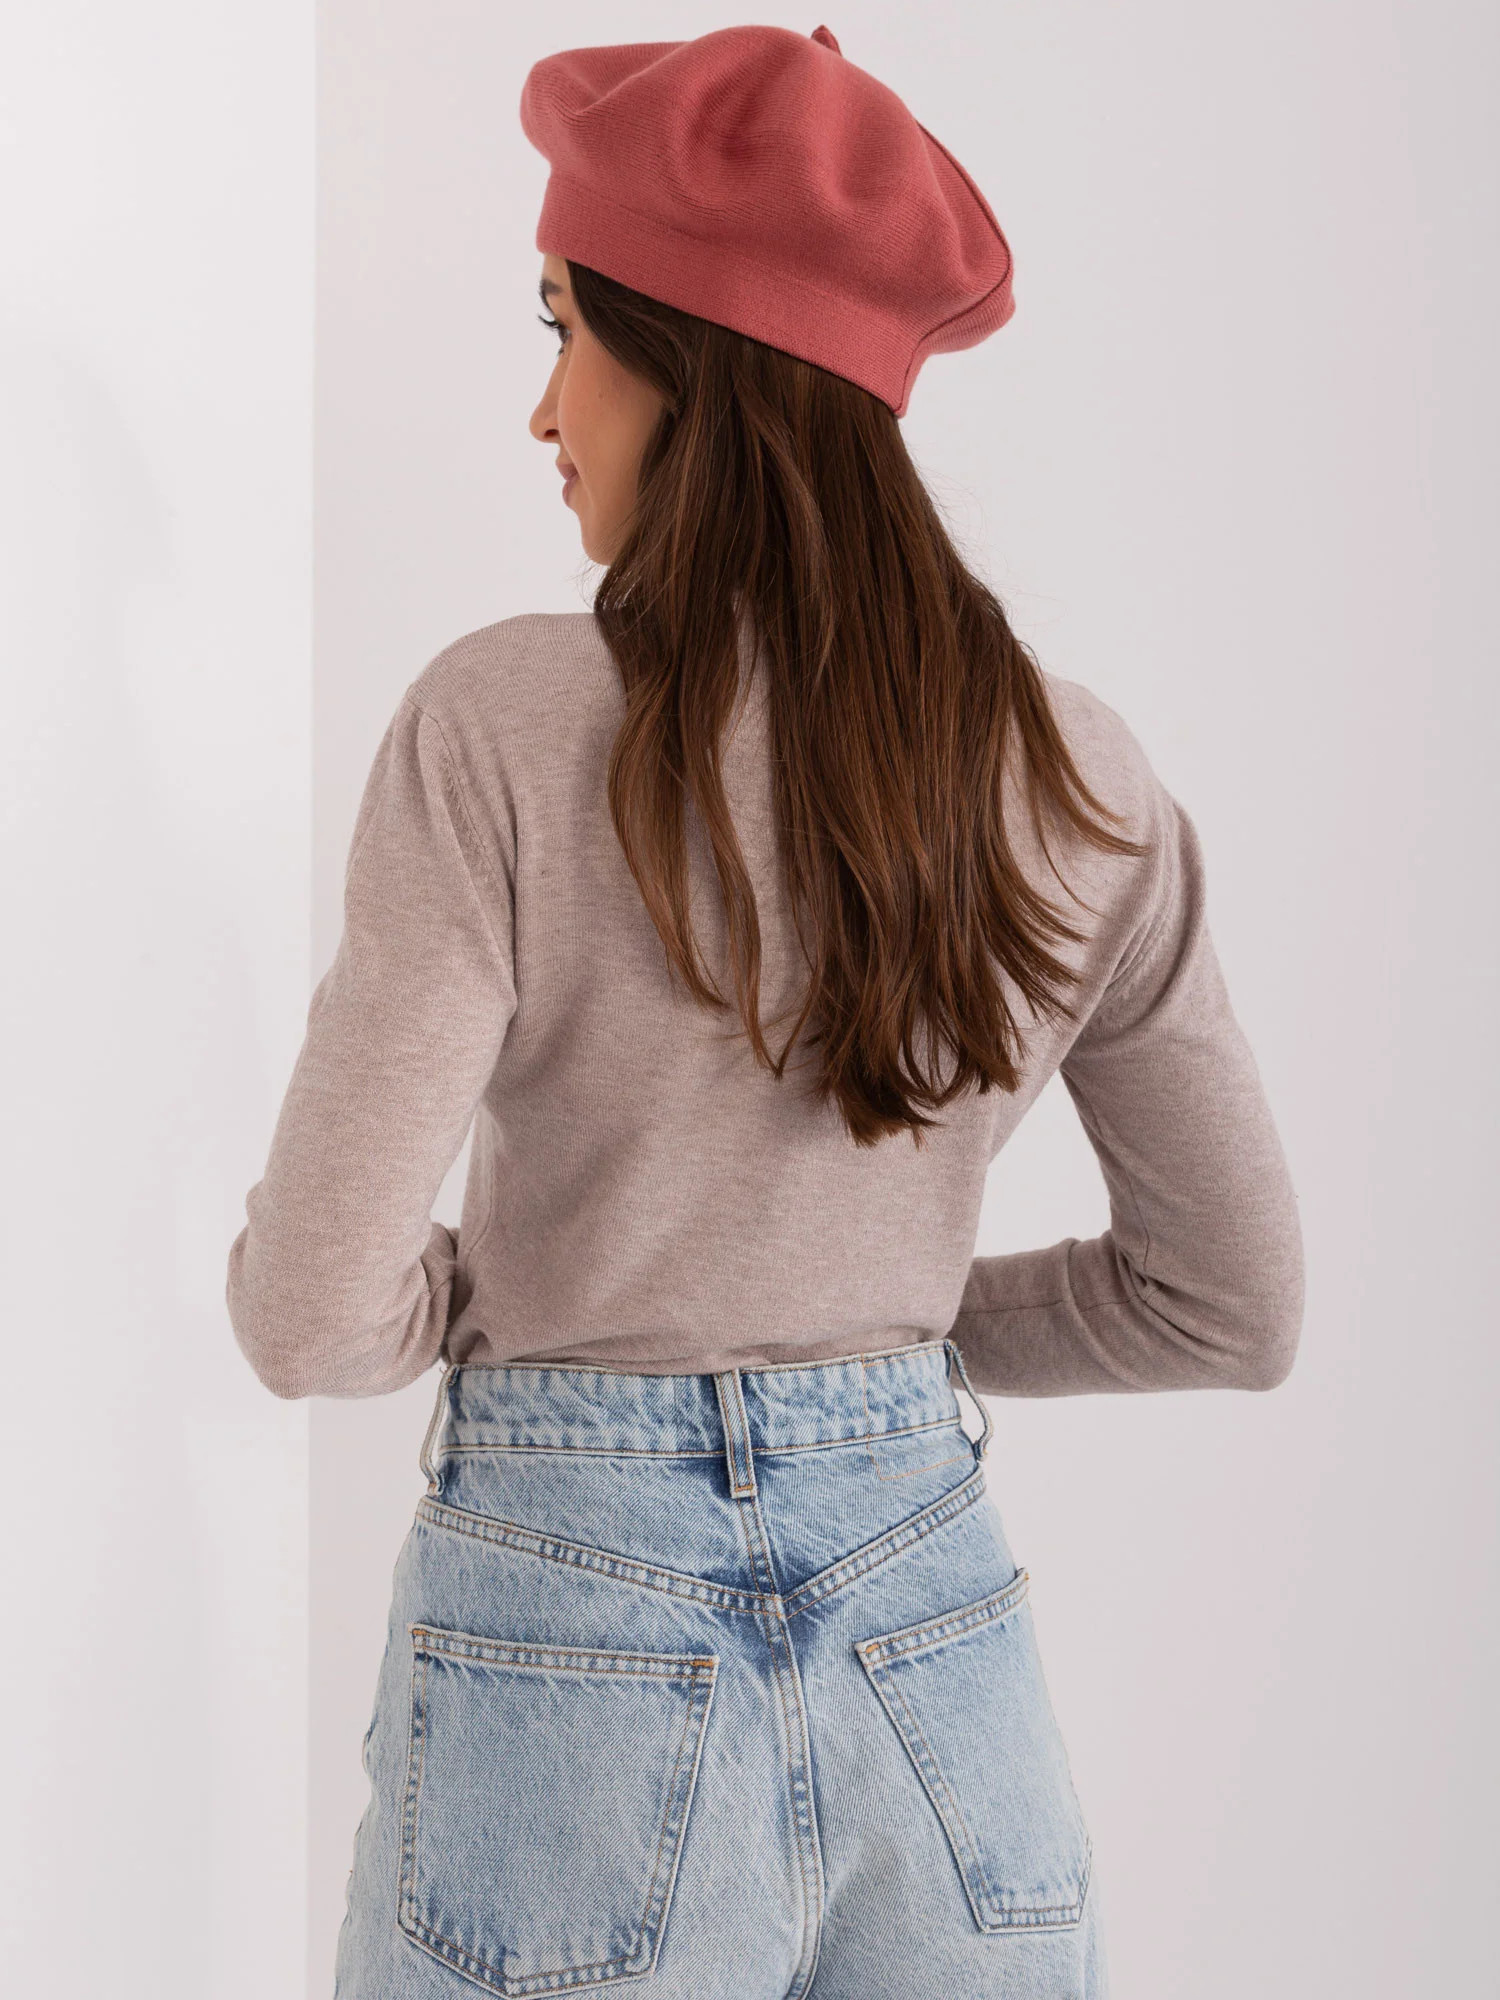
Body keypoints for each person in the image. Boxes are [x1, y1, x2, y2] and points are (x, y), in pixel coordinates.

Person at [226, 24, 1303, 1999]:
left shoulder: (500, 726)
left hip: (569, 1639)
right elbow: (1230, 1303)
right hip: (943, 1670)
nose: (542, 410)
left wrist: (512, 1299)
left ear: (687, 363)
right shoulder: (1081, 781)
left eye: (564, 328)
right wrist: (871, 1335)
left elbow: (307, 1309)